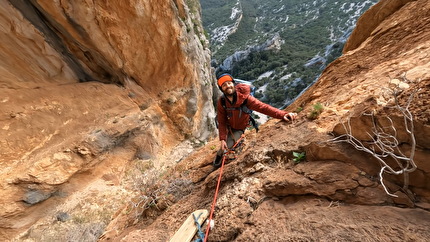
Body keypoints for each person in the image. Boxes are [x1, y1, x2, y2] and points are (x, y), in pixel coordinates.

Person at [213, 73, 297, 168]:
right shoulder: (222, 101)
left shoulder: (245, 99)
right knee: (223, 146)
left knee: (227, 147)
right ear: (222, 89)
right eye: (224, 85)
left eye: (229, 83)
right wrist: (222, 138)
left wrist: (283, 114)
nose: (227, 86)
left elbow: (263, 107)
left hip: (239, 128)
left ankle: (228, 148)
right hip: (228, 126)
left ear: (233, 84)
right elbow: (222, 120)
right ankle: (219, 155)